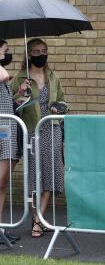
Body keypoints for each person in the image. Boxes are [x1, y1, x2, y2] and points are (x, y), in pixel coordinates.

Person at [11, 38, 67, 238]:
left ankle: (38, 220)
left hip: (51, 129)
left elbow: (62, 100)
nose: (41, 54)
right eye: (36, 51)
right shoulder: (20, 79)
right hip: (32, 131)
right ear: (28, 54)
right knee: (34, 177)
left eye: (44, 50)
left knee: (50, 174)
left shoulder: (53, 77)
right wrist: (21, 93)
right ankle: (37, 217)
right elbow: (12, 106)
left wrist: (59, 107)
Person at [0, 39, 21, 244]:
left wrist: (20, 95)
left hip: (6, 132)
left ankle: (1, 228)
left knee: (3, 183)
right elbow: (5, 75)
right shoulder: (1, 73)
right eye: (5, 51)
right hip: (0, 133)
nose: (8, 54)